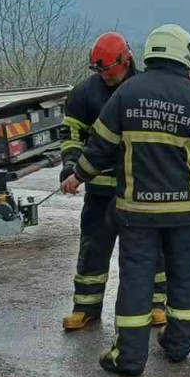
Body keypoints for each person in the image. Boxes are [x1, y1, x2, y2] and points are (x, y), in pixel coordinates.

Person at [62, 24, 190, 376]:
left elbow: (99, 147)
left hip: (136, 212)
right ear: (184, 55)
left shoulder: (127, 94)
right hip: (184, 212)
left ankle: (129, 358)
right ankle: (177, 346)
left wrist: (76, 176)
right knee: (186, 276)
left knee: (136, 279)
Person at [58, 32, 167, 331]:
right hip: (101, 192)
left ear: (126, 59)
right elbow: (71, 134)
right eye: (99, 70)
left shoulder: (145, 89)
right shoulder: (84, 94)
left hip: (141, 189)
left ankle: (157, 303)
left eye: (109, 69)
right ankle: (86, 307)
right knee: (94, 248)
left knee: (149, 250)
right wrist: (71, 164)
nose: (105, 76)